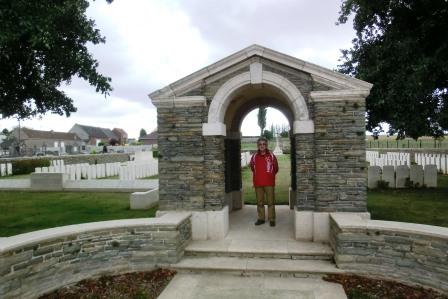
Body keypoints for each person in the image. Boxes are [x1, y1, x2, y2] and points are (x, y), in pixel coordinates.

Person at [249, 137, 279, 227]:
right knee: (260, 202)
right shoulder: (254, 156)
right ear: (258, 145)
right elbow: (252, 168)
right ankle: (261, 218)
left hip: (269, 183)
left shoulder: (271, 155)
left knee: (271, 202)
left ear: (266, 145)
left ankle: (272, 219)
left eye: (264, 144)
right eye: (260, 144)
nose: (262, 146)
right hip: (258, 183)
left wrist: (269, 175)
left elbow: (276, 168)